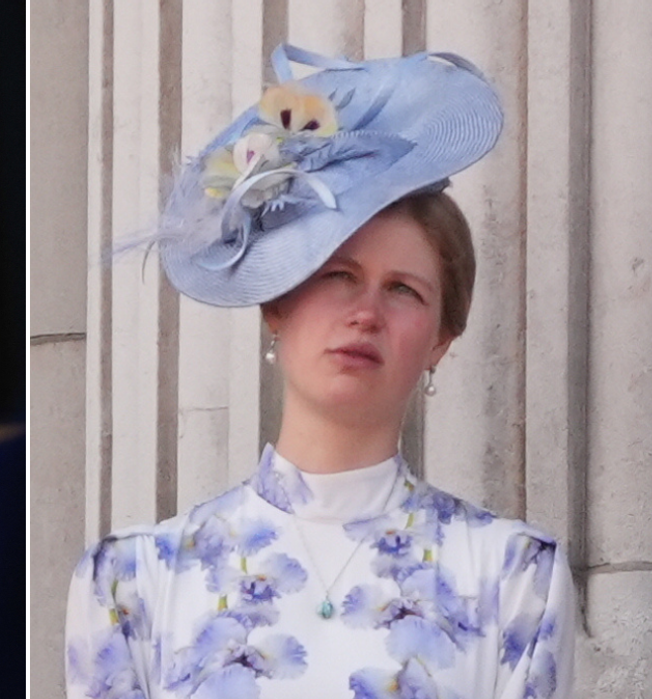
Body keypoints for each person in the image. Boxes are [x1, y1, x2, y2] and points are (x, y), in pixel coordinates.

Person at [65, 46, 574, 698]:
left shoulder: (514, 577)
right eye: (338, 276)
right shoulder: (131, 581)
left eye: (403, 290)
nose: (365, 313)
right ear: (277, 304)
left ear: (440, 341)